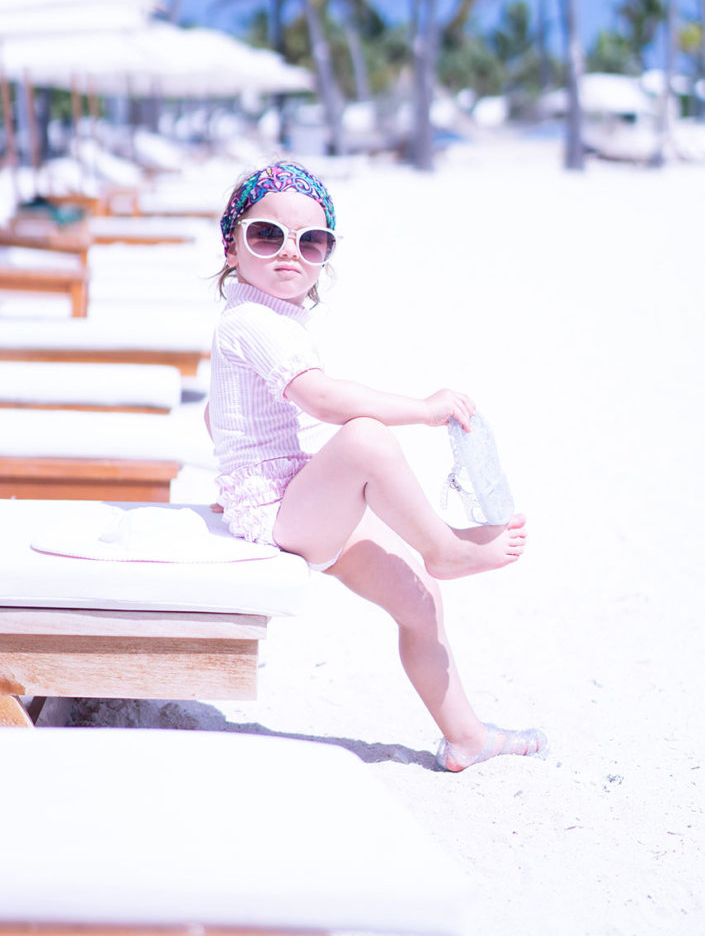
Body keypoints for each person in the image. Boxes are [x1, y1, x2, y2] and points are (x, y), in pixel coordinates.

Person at [205, 161, 547, 772]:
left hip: (297, 500)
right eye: (266, 235)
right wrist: (423, 409)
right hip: (283, 512)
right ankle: (446, 546)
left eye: (311, 242)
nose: (290, 253)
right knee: (364, 438)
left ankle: (465, 735)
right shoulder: (253, 320)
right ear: (231, 246)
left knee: (420, 601)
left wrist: (232, 478)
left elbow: (218, 415)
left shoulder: (272, 319)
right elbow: (322, 400)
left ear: (324, 257)